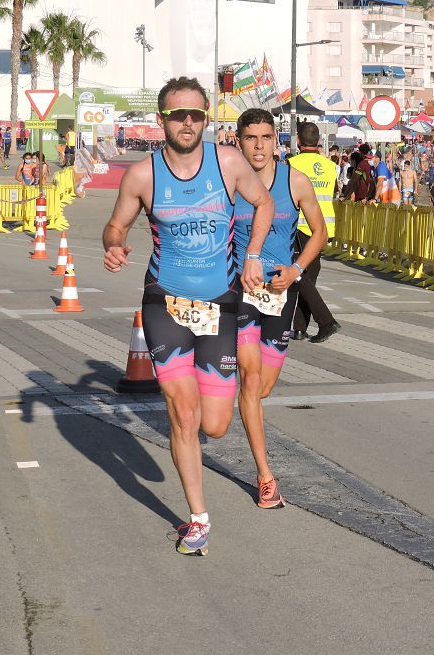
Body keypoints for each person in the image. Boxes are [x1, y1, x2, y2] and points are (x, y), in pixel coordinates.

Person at [102, 76, 273, 556]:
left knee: (215, 424)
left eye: (196, 114)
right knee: (184, 411)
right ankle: (197, 517)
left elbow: (264, 202)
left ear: (206, 118)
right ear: (162, 121)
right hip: (165, 303)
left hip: (221, 304)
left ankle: (191, 431)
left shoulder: (228, 163)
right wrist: (114, 246)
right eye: (179, 115)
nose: (188, 122)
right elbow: (115, 225)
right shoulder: (143, 176)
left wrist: (254, 253)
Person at [233, 109, 326, 509]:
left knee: (263, 387)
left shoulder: (296, 181)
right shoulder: (227, 183)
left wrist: (296, 270)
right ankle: (265, 476)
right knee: (250, 381)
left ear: (277, 141)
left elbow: (319, 232)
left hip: (279, 293)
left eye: (265, 137)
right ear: (238, 140)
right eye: (250, 137)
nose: (258, 145)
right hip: (236, 291)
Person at [288, 122, 341, 343]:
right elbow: (335, 191)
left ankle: (326, 321)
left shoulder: (292, 163)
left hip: (300, 224)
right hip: (323, 226)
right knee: (307, 277)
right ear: (318, 141)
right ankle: (300, 327)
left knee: (298, 274)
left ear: (298, 141)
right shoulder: (330, 166)